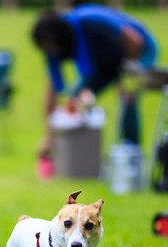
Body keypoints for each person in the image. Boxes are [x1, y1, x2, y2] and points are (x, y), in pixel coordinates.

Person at [31, 3, 158, 171]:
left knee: (128, 98)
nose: (50, 50)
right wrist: (50, 134)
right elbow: (53, 89)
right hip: (102, 63)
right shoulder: (53, 49)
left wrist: (125, 77)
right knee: (75, 99)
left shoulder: (91, 21)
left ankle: (131, 157)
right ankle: (75, 157)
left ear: (56, 38)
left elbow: (134, 40)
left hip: (137, 51)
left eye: (49, 46)